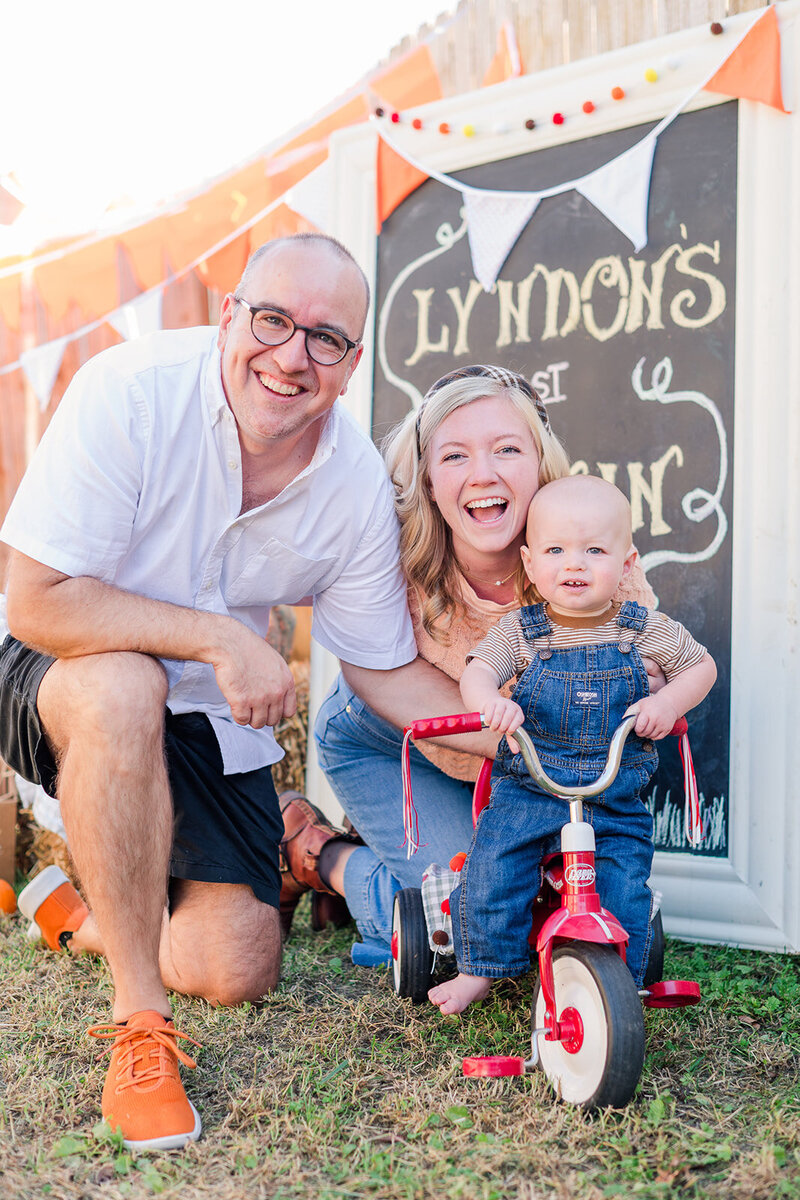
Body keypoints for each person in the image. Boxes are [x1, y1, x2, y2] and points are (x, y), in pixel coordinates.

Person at [0, 233, 421, 1150]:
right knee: (124, 685)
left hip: (204, 710)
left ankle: (83, 917)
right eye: (272, 319)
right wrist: (221, 635)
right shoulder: (130, 392)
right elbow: (36, 602)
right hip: (57, 666)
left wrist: (500, 738)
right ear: (228, 315)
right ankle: (139, 1027)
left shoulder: (351, 486)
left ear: (351, 366)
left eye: (326, 339)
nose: (291, 355)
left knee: (239, 966)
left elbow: (383, 670)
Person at [311, 365, 664, 970]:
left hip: (513, 760)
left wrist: (651, 691)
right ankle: (322, 856)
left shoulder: (583, 541)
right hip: (382, 734)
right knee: (464, 916)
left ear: (540, 461)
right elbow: (367, 668)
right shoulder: (389, 545)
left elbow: (651, 662)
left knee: (529, 898)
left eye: (506, 449)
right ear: (425, 475)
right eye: (454, 456)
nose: (483, 474)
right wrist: (549, 737)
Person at [428, 475, 717, 1015]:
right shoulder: (523, 632)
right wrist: (493, 700)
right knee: (494, 864)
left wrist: (667, 703)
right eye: (557, 550)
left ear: (627, 563)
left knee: (624, 879)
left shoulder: (642, 630)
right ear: (531, 564)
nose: (574, 564)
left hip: (611, 792)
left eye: (594, 550)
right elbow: (479, 670)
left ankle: (617, 981)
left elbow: (701, 666)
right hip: (532, 787)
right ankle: (478, 969)